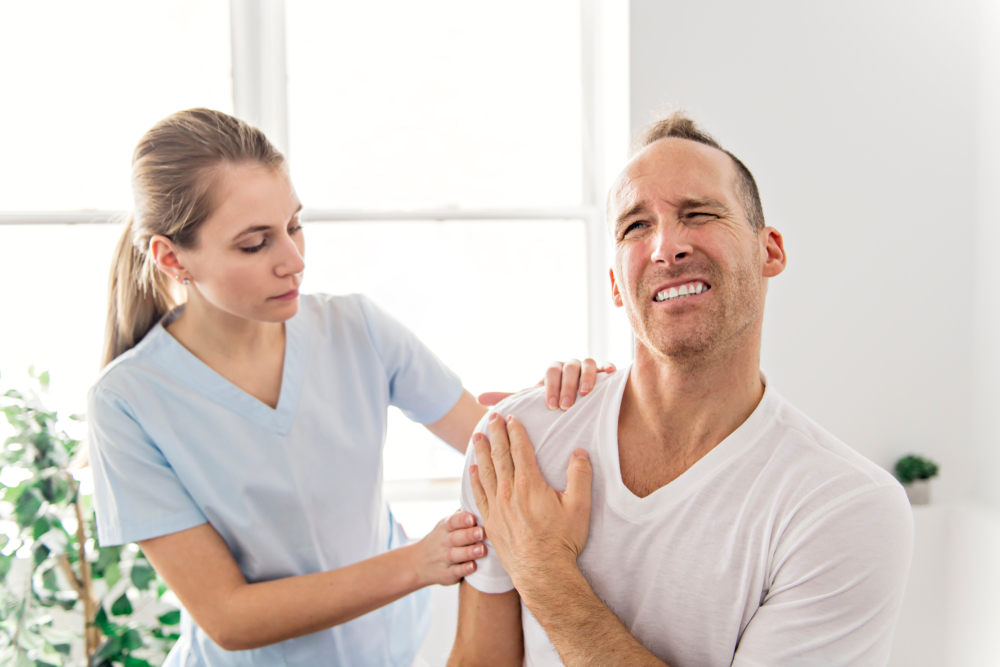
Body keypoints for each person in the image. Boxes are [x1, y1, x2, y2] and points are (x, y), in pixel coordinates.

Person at [87, 108, 607, 667]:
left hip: (393, 651)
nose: (294, 261)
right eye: (255, 244)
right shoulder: (127, 401)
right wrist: (416, 562)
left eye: (294, 225)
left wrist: (569, 405)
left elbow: (492, 442)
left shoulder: (357, 328)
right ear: (171, 257)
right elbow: (228, 618)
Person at [448, 112, 914, 667]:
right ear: (617, 283)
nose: (667, 247)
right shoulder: (518, 443)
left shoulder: (845, 506)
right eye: (635, 226)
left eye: (699, 214)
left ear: (770, 251)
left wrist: (543, 571)